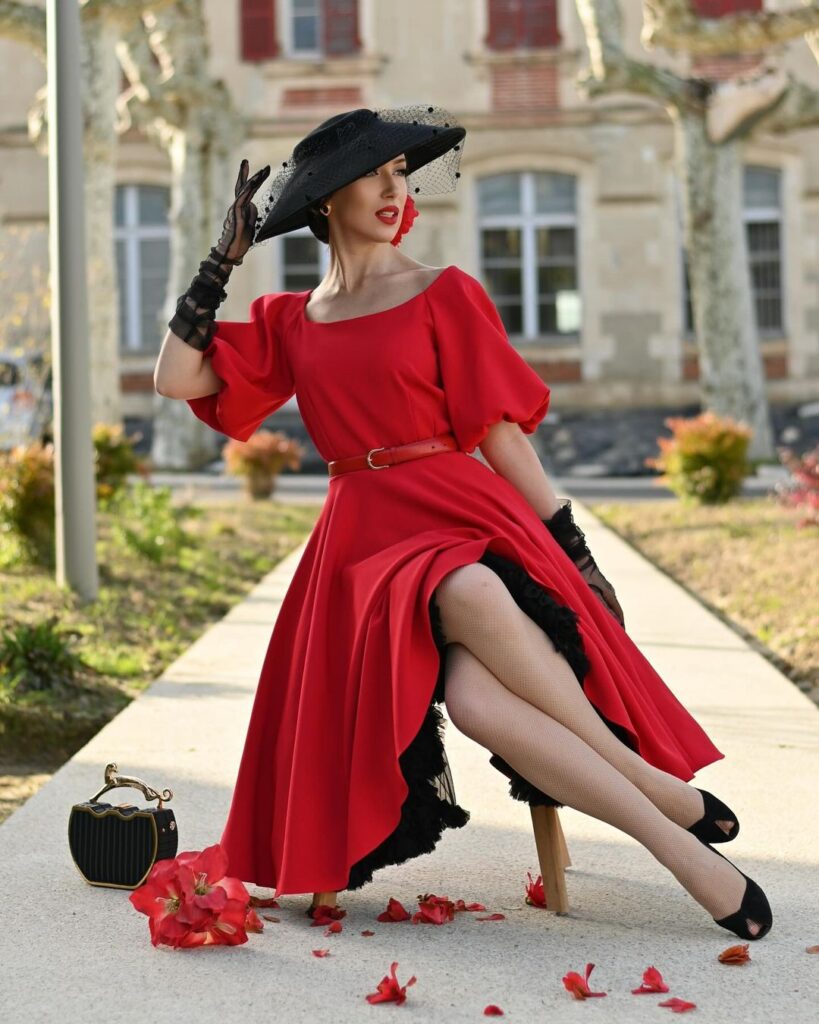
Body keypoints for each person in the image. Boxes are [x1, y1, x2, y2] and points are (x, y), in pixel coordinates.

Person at [153, 105, 772, 941]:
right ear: (325, 204)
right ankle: (666, 810)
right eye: (369, 176)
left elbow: (499, 439)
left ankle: (677, 845)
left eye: (399, 173)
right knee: (476, 704)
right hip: (359, 540)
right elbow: (177, 378)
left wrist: (572, 548)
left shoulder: (443, 293)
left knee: (470, 595)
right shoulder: (291, 322)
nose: (390, 188)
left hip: (455, 509)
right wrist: (221, 261)